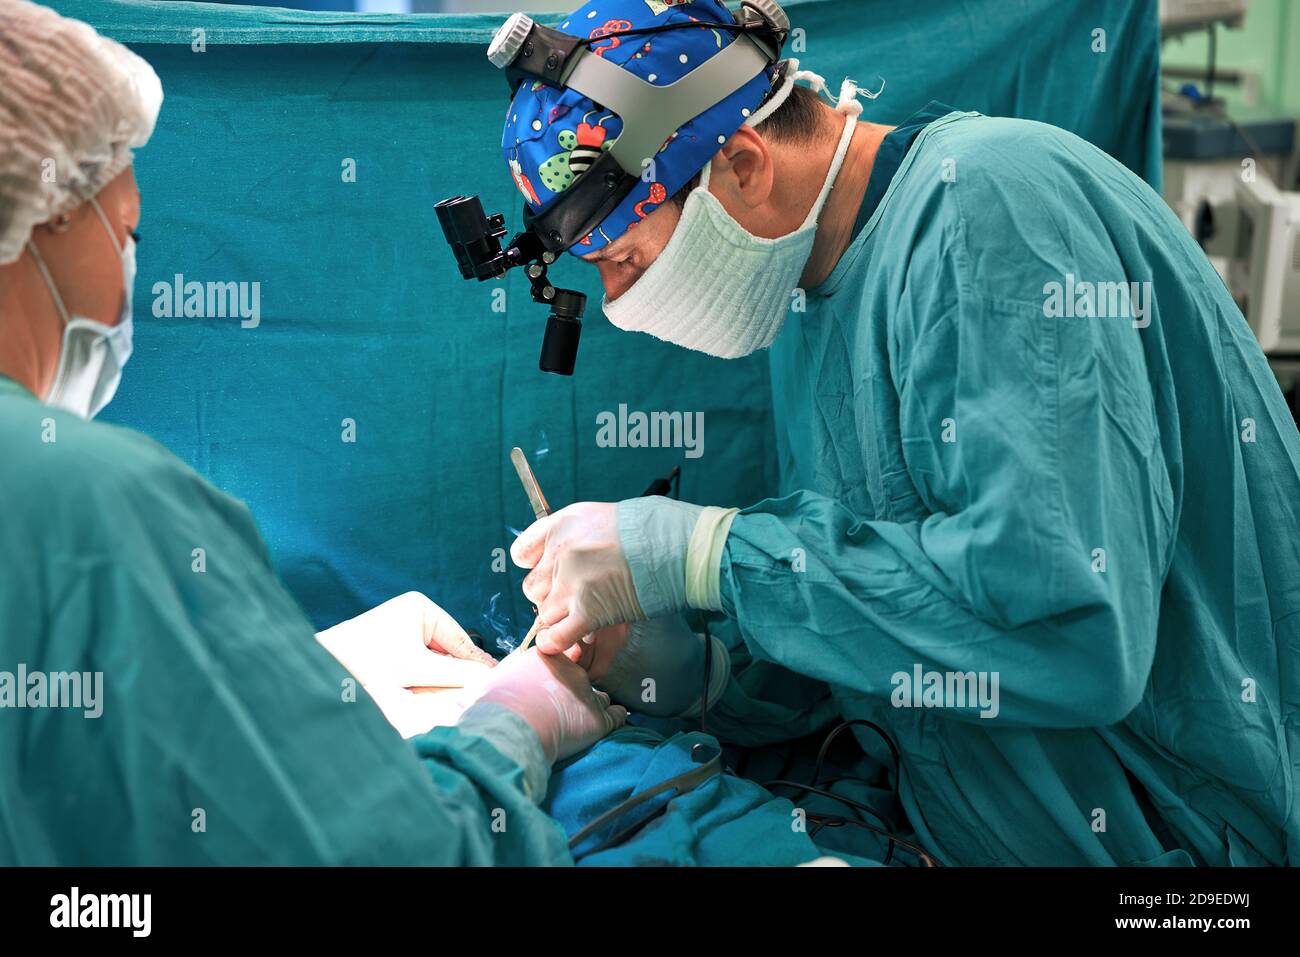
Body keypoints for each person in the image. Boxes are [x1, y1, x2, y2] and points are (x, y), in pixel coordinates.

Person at [501, 0, 1300, 865]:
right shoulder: (808, 291)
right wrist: (700, 671)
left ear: (741, 163)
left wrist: (710, 554)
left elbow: (1069, 632)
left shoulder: (991, 211)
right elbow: (899, 611)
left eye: (626, 257)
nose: (619, 303)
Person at [0, 0, 627, 865]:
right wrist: (512, 724)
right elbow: (407, 856)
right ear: (52, 211)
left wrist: (286, 676)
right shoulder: (95, 501)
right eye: (131, 232)